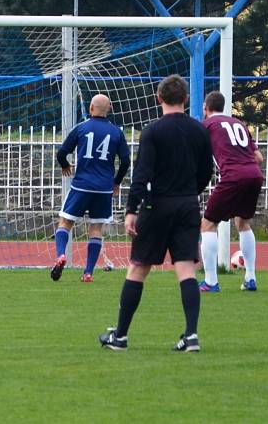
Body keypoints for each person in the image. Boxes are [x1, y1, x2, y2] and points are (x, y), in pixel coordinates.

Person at [99, 75, 213, 352]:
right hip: (188, 204)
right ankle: (191, 336)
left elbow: (142, 175)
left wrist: (130, 210)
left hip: (157, 205)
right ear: (185, 99)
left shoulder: (152, 131)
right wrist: (190, 192)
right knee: (186, 268)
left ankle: (121, 337)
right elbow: (206, 172)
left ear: (158, 98)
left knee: (138, 267)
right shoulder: (200, 130)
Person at [52, 94, 130, 282]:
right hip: (103, 188)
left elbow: (62, 153)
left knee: (65, 222)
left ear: (91, 108)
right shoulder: (116, 132)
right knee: (96, 229)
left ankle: (61, 255)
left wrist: (64, 165)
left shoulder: (81, 128)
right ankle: (88, 272)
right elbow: (126, 161)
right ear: (108, 109)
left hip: (81, 185)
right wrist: (116, 182)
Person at [199, 91, 264, 292]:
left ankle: (210, 281)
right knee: (242, 222)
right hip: (254, 175)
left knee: (208, 224)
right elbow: (259, 157)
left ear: (205, 108)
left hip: (233, 176)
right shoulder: (239, 124)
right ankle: (250, 278)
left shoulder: (207, 125)